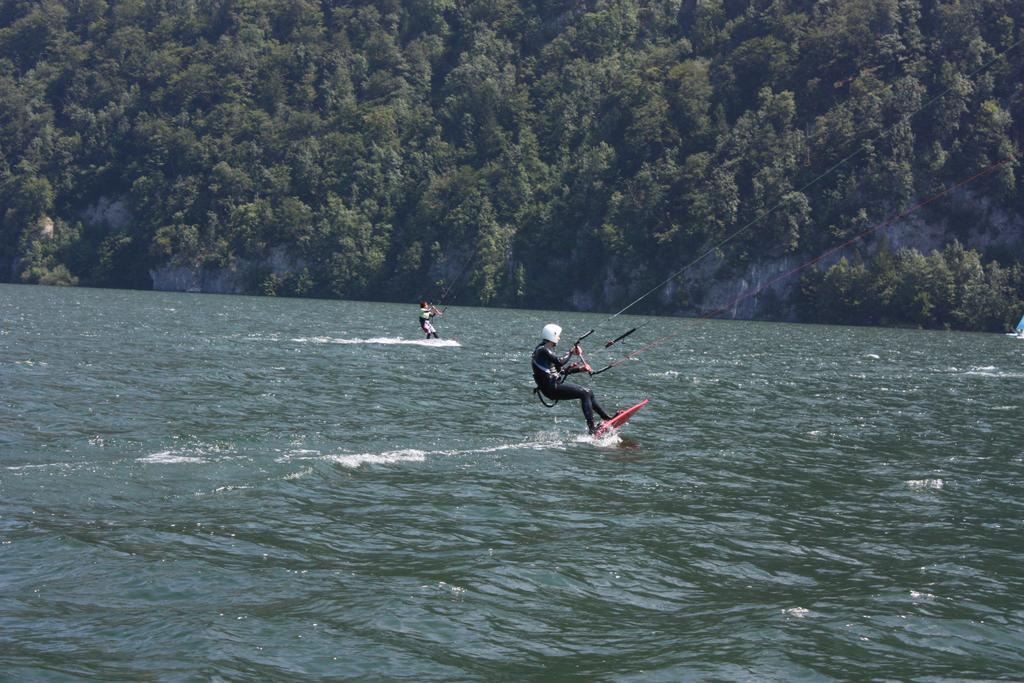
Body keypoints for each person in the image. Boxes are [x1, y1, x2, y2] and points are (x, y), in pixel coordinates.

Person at [532, 323, 614, 434]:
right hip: (551, 388)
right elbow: (560, 361)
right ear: (553, 335)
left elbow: (561, 371)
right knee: (584, 393)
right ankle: (592, 429)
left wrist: (580, 369)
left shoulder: (546, 350)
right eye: (558, 336)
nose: (559, 338)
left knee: (589, 392)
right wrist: (571, 352)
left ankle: (607, 418)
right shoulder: (543, 350)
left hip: (553, 386)